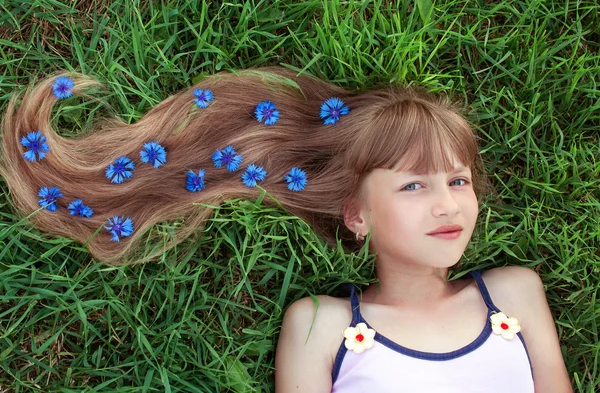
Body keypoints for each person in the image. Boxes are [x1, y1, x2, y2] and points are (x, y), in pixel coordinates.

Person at [1, 68, 571, 391]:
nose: (448, 205)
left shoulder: (515, 292)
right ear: (356, 215)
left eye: (459, 181)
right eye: (413, 186)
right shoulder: (320, 326)